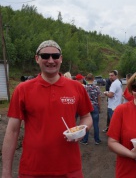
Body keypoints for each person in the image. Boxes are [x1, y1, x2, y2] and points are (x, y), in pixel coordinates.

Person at [2, 40, 93, 178]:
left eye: (55, 56)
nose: (51, 60)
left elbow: (86, 116)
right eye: (45, 56)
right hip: (32, 170)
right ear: (37, 58)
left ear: (61, 59)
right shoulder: (23, 89)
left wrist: (83, 129)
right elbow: (13, 131)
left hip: (70, 169)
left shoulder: (77, 88)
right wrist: (6, 172)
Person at [80, 73, 102, 145]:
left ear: (86, 79)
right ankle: (97, 140)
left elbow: (82, 99)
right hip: (95, 106)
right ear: (93, 79)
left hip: (87, 107)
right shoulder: (97, 87)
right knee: (96, 124)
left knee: (86, 124)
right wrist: (99, 107)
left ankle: (85, 140)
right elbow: (99, 98)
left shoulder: (84, 87)